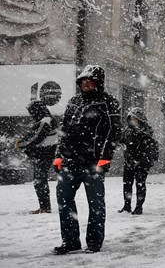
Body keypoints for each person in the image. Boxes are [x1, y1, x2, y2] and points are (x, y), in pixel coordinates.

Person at [52, 65, 122, 255]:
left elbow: (114, 131)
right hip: (70, 161)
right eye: (83, 80)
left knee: (96, 203)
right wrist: (58, 155)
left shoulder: (109, 103)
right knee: (64, 199)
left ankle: (94, 242)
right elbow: (64, 130)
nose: (86, 83)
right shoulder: (74, 102)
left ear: (99, 82)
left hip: (94, 162)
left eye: (90, 80)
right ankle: (70, 241)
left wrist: (105, 157)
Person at [17, 100, 58, 214]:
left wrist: (21, 144)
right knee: (40, 181)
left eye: (32, 111)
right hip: (44, 154)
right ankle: (44, 207)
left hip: (44, 155)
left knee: (40, 181)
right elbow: (35, 135)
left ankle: (45, 208)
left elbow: (36, 137)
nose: (31, 114)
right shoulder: (46, 119)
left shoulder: (45, 121)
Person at [119, 107, 159, 215]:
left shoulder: (146, 132)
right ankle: (127, 206)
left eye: (134, 118)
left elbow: (149, 148)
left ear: (140, 119)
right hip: (129, 161)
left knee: (140, 184)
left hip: (142, 162)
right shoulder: (127, 131)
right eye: (130, 118)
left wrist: (142, 160)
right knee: (127, 184)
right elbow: (122, 142)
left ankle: (139, 207)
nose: (132, 121)